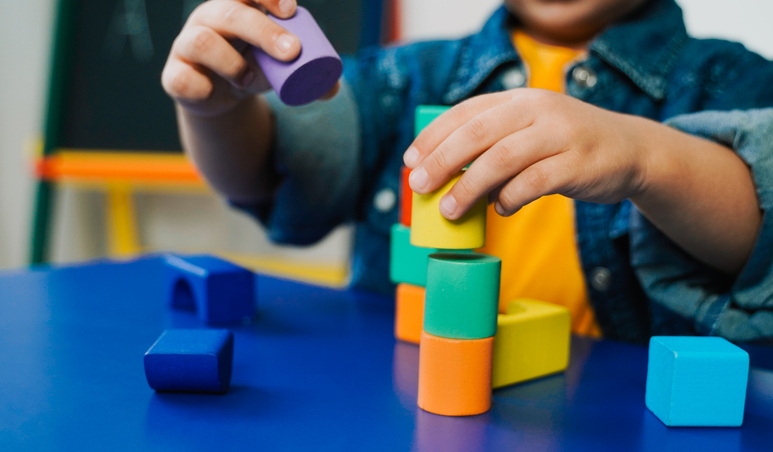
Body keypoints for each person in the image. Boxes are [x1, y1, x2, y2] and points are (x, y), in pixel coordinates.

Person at [162, 0, 773, 343]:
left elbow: (761, 227)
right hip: (414, 409)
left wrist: (648, 158)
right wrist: (215, 111)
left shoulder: (729, 80)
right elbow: (271, 171)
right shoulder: (407, 78)